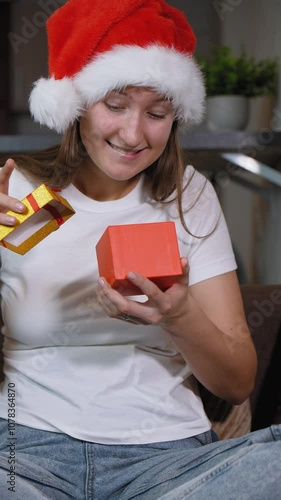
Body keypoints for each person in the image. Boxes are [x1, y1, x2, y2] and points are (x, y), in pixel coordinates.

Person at [0, 1, 280, 499]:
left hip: (167, 464)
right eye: (114, 105)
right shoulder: (15, 191)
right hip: (23, 455)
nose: (133, 136)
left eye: (156, 113)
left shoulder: (189, 195)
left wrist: (180, 314)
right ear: (76, 104)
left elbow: (236, 382)